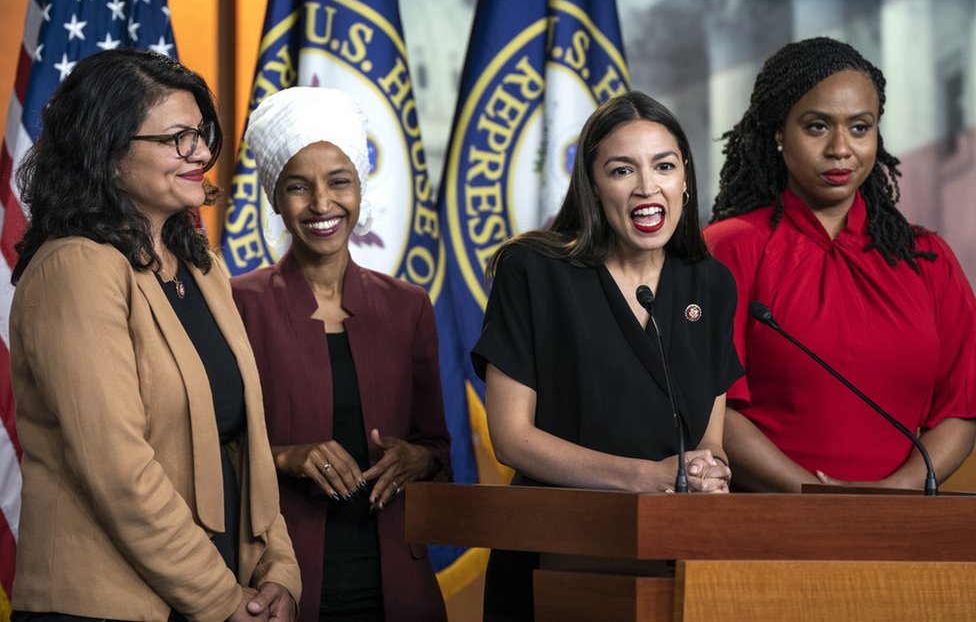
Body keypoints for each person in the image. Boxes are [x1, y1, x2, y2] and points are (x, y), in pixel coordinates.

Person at [10, 48, 300, 620]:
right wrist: (221, 599)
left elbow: (246, 445)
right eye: (177, 138)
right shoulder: (76, 267)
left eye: (203, 133)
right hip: (103, 606)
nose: (201, 153)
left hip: (215, 592)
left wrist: (279, 574)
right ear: (108, 149)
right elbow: (119, 471)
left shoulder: (202, 267)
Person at [471, 91, 742, 621]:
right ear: (592, 186)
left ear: (684, 177)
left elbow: (709, 438)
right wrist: (647, 477)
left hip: (672, 559)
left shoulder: (710, 283)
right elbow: (511, 437)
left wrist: (709, 472)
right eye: (622, 170)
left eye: (664, 166)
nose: (647, 187)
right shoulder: (533, 271)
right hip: (553, 551)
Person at [705, 37, 976, 494]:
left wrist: (898, 493)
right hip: (765, 525)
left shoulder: (928, 259)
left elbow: (962, 407)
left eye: (859, 127)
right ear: (778, 133)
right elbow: (714, 412)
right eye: (816, 127)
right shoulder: (729, 249)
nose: (840, 148)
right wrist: (817, 500)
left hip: (903, 527)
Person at [232, 86, 452, 622]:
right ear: (274, 197)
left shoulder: (408, 307)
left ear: (360, 187)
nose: (322, 204)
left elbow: (438, 450)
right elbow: (209, 452)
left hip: (398, 585)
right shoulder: (237, 305)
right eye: (298, 187)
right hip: (283, 583)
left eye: (339, 182)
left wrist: (417, 459)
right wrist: (285, 456)